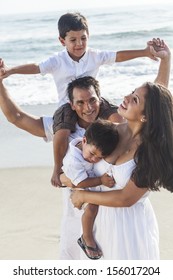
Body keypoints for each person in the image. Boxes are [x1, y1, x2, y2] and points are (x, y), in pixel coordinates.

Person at [0, 37, 167, 259]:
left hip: (129, 228)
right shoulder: (84, 130)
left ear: (100, 99)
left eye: (92, 101)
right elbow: (18, 117)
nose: (87, 107)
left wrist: (165, 59)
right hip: (94, 223)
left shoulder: (121, 133)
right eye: (79, 102)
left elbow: (157, 101)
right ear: (71, 104)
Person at [0, 12, 161, 187]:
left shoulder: (95, 55)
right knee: (61, 133)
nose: (79, 44)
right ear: (62, 41)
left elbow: (119, 56)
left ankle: (126, 156)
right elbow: (36, 68)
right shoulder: (57, 61)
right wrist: (9, 71)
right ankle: (56, 168)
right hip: (66, 106)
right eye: (73, 40)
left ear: (88, 36)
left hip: (97, 98)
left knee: (119, 120)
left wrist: (145, 52)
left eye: (83, 38)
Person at [70, 39, 173, 259]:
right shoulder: (109, 133)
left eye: (134, 99)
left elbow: (126, 198)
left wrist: (82, 194)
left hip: (130, 232)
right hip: (99, 228)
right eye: (131, 92)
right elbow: (154, 96)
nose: (126, 98)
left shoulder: (149, 151)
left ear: (145, 116)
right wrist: (166, 59)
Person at [62, 119, 119, 259]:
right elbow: (80, 183)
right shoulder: (73, 160)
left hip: (89, 185)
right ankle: (86, 237)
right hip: (80, 188)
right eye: (92, 154)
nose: (94, 159)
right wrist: (100, 180)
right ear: (84, 140)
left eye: (100, 158)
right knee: (92, 208)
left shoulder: (88, 148)